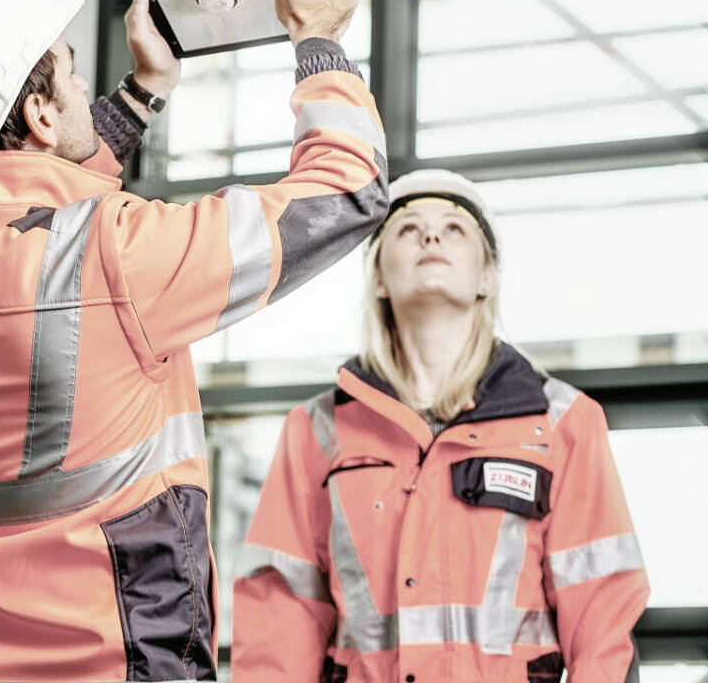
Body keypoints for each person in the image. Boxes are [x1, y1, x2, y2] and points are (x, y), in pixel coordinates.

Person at [0, 0, 388, 683]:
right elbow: (347, 192)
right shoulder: (115, 255)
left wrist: (143, 91)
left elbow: (24, 208)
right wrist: (319, 40)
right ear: (39, 113)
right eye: (70, 73)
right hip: (116, 665)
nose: (81, 86)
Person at [233, 169, 649, 683]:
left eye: (454, 229)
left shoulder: (562, 422)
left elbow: (602, 621)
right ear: (378, 278)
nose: (431, 236)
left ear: (486, 277)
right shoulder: (318, 431)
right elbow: (278, 624)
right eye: (409, 229)